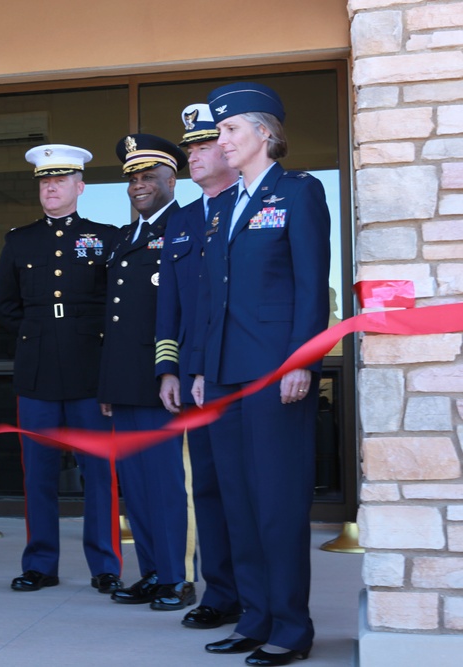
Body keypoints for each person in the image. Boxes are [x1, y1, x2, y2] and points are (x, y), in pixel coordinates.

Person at [191, 82, 330, 666]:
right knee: (237, 503)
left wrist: (303, 361)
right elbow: (211, 298)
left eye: (229, 130)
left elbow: (310, 287)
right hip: (224, 376)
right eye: (219, 132)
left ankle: (291, 628)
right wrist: (200, 368)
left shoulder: (298, 193)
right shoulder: (223, 206)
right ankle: (253, 617)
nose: (220, 140)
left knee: (276, 502)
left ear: (264, 134)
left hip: (275, 374)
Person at [0, 144, 122, 594]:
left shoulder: (106, 237)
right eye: (45, 180)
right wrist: (37, 329)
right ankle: (40, 564)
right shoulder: (19, 240)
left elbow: (116, 307)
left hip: (89, 372)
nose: (51, 186)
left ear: (80, 186)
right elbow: (3, 306)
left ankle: (105, 565)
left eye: (61, 180)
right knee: (39, 474)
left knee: (100, 476)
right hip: (37, 373)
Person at [154, 104, 242, 629]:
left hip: (234, 372)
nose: (194, 154)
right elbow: (171, 305)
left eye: (203, 144)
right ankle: (220, 593)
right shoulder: (183, 218)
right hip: (191, 379)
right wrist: (168, 368)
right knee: (205, 487)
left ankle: (255, 594)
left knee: (242, 488)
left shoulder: (248, 205)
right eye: (190, 147)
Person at [99, 134, 195, 612]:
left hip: (161, 380)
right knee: (135, 483)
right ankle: (152, 573)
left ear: (170, 180)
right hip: (125, 380)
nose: (139, 186)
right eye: (132, 179)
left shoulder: (186, 225)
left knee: (164, 482)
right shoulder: (123, 237)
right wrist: (108, 384)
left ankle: (178, 577)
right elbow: (113, 317)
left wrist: (171, 369)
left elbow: (185, 310)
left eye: (148, 177)